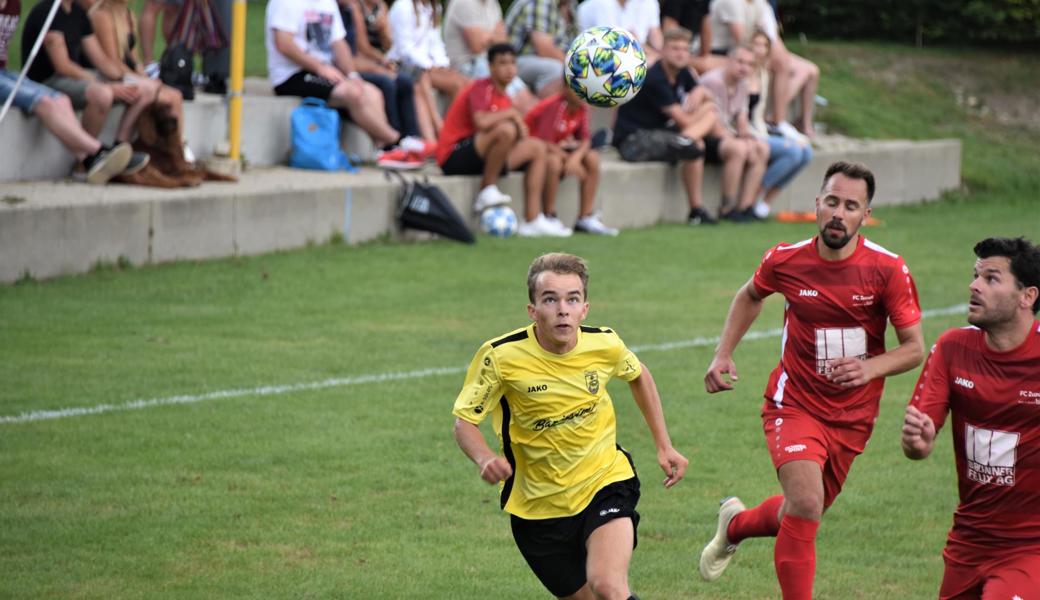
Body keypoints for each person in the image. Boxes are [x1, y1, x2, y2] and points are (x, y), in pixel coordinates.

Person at [699, 161, 926, 599]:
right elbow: (750, 295)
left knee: (802, 510)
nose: (839, 214)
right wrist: (722, 352)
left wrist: (869, 368)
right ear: (817, 204)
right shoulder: (786, 259)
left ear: (865, 215)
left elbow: (914, 347)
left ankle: (736, 524)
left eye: (851, 206)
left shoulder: (887, 269)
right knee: (805, 503)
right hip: (794, 403)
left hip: (853, 417)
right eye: (832, 202)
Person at [452, 252, 688, 599]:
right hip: (536, 509)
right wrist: (485, 458)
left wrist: (664, 444)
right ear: (532, 310)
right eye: (550, 299)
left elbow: (638, 375)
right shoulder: (500, 357)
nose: (563, 310)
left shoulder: (605, 344)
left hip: (605, 481)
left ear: (584, 309)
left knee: (608, 585)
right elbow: (465, 422)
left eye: (572, 299)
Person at [902, 237, 1040, 600]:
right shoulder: (952, 348)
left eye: (991, 278)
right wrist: (918, 441)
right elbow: (919, 443)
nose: (974, 286)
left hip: (1031, 547)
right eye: (976, 276)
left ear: (1027, 296)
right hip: (968, 542)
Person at [265, 0, 421, 168]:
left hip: (322, 71)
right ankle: (395, 141)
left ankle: (385, 150)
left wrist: (352, 75)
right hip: (291, 75)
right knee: (353, 93)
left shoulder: (327, 3)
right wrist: (319, 68)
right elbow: (284, 43)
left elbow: (339, 43)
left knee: (370, 91)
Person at [436, 43, 565, 237]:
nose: (509, 68)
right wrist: (512, 115)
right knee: (506, 130)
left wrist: (520, 132)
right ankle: (486, 189)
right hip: (453, 155)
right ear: (490, 67)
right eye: (502, 63)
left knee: (537, 148)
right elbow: (481, 122)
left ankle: (533, 220)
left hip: (482, 156)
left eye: (512, 63)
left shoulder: (505, 96)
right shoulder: (481, 87)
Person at [1, 0, 131, 184]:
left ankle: (87, 159)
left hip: (4, 72)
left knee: (62, 101)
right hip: (44, 78)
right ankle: (98, 151)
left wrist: (126, 79)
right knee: (44, 101)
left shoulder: (13, 5)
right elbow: (63, 66)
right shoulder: (46, 11)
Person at [611, 27, 717, 226]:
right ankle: (686, 142)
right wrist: (706, 106)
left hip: (658, 132)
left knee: (699, 141)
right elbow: (684, 121)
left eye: (685, 49)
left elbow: (708, 97)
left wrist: (700, 91)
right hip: (633, 141)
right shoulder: (655, 77)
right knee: (707, 117)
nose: (680, 54)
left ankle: (696, 210)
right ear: (663, 51)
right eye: (675, 48)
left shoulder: (683, 72)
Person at [524, 81, 617, 236]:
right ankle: (549, 216)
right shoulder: (554, 105)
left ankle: (585, 218)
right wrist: (569, 159)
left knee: (592, 157)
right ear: (565, 88)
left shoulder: (582, 106)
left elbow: (586, 140)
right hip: (535, 152)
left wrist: (575, 159)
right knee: (554, 162)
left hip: (559, 148)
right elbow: (543, 142)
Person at [339, 0, 436, 149]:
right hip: (360, 63)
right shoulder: (354, 8)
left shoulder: (381, 7)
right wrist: (380, 63)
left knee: (406, 81)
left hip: (376, 60)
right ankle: (394, 144)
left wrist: (384, 30)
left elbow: (389, 45)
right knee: (389, 82)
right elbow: (362, 49)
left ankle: (412, 137)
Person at [698, 44, 769, 222]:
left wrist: (749, 139)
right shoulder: (713, 81)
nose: (744, 68)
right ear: (728, 61)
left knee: (761, 148)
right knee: (738, 149)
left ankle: (745, 206)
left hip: (726, 135)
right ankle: (727, 207)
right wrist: (741, 142)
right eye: (740, 62)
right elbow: (711, 121)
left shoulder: (743, 85)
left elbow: (742, 120)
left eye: (750, 64)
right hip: (705, 135)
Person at [746, 29, 811, 220]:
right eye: (756, 44)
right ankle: (755, 196)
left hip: (760, 130)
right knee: (793, 152)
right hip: (746, 133)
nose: (760, 49)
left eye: (764, 45)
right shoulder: (741, 71)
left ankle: (766, 202)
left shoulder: (763, 74)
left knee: (806, 152)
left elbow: (759, 116)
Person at [384, 0, 468, 136]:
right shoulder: (403, 6)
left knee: (465, 82)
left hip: (425, 65)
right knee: (454, 84)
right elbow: (404, 48)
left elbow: (435, 43)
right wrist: (429, 65)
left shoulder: (435, 7)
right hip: (402, 64)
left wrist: (442, 64)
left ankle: (453, 131)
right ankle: (445, 131)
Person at [442, 0, 535, 111]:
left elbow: (502, 42)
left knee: (525, 95)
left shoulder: (492, 3)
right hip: (467, 65)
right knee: (515, 100)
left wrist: (487, 37)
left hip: (490, 61)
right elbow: (477, 46)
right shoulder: (464, 3)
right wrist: (494, 35)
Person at [504, 0, 577, 99]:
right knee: (557, 69)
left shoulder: (569, 5)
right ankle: (543, 108)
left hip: (539, 60)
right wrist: (575, 68)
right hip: (514, 61)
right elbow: (544, 49)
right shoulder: (541, 2)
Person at [575, 0, 662, 63]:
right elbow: (613, 43)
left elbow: (658, 42)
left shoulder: (650, 3)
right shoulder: (598, 4)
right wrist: (658, 56)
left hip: (638, 58)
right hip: (597, 59)